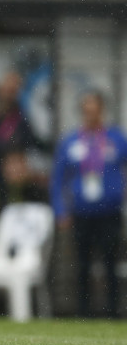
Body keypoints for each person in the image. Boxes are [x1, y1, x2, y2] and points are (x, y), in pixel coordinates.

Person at [49, 90, 127, 318]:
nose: (91, 114)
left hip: (109, 212)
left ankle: (113, 312)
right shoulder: (71, 142)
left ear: (102, 111)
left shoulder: (116, 139)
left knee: (110, 263)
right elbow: (58, 179)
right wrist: (61, 210)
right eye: (87, 110)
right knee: (81, 265)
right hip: (80, 213)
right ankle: (82, 312)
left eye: (95, 110)